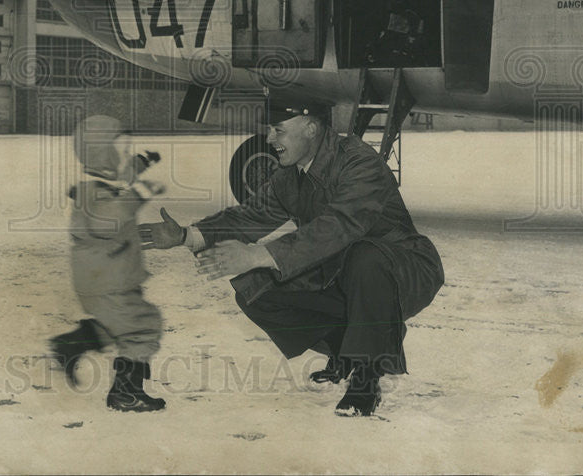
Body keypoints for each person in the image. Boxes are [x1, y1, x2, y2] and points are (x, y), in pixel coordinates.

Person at [139, 93, 444, 417]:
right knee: (256, 292)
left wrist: (258, 254)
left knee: (364, 258)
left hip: (402, 268)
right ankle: (346, 351)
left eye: (279, 130)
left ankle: (366, 377)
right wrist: (187, 236)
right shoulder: (290, 176)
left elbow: (340, 226)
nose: (270, 139)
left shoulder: (360, 161)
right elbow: (249, 217)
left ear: (311, 128)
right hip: (338, 270)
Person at [49, 115, 168, 412]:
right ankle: (125, 393)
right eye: (122, 151)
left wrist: (141, 162)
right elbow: (108, 221)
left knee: (122, 325)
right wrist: (138, 196)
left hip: (111, 279)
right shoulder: (92, 193)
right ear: (103, 155)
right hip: (106, 283)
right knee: (143, 327)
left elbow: (124, 177)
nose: (127, 157)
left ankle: (74, 343)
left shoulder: (104, 180)